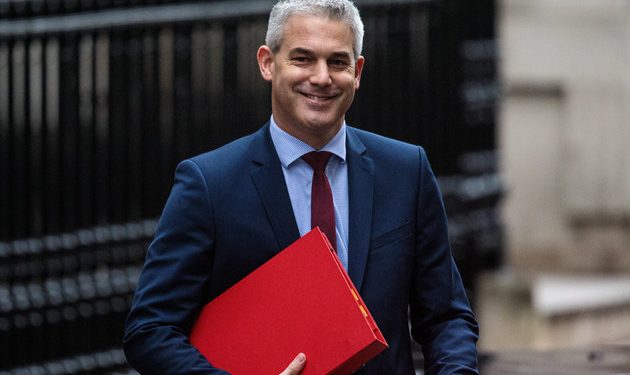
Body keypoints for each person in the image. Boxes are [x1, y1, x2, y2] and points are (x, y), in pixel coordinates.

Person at [123, 0, 479, 374]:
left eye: (338, 62)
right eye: (303, 58)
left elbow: (447, 318)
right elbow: (150, 330)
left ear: (357, 72)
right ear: (267, 62)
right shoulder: (209, 183)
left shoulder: (406, 171)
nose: (322, 77)